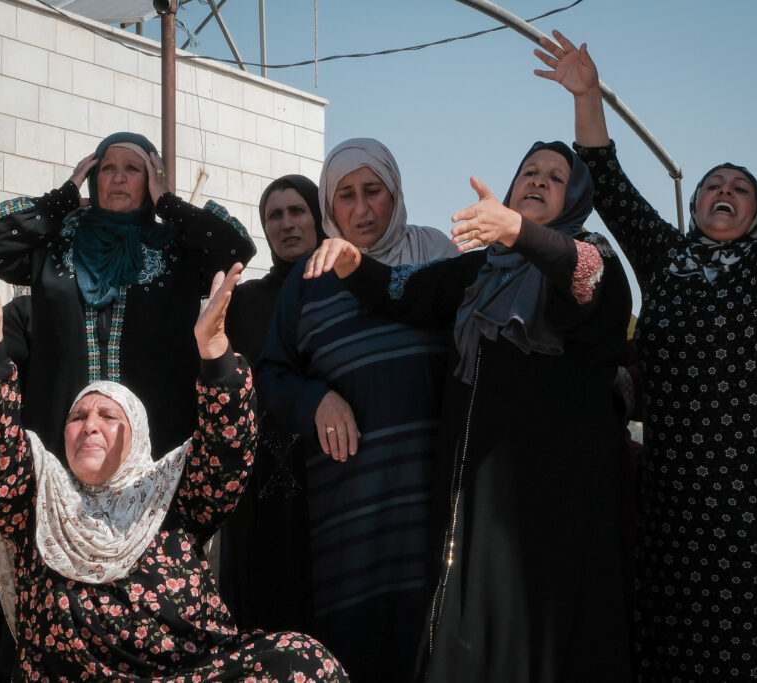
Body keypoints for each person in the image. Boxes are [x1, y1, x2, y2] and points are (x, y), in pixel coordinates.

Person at [533, 29, 757, 680]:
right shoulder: (665, 257)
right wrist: (586, 94)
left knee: (753, 655)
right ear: (695, 208)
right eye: (712, 185)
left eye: (740, 188)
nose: (724, 190)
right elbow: (606, 180)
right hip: (675, 510)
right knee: (671, 653)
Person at [303, 139, 634, 681]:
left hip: (559, 507)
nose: (538, 180)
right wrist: (352, 260)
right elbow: (399, 291)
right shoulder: (476, 271)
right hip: (478, 502)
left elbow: (585, 276)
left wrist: (519, 232)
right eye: (529, 171)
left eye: (555, 176)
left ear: (574, 197)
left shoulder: (593, 257)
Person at [0, 248, 348, 682]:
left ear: (137, 433)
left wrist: (214, 350)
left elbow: (228, 447)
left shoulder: (171, 494)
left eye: (109, 416)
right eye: (78, 417)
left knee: (303, 659)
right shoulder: (34, 499)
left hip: (189, 675)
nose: (90, 427)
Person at [256, 139, 457, 682]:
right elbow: (271, 376)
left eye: (375, 192)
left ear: (396, 193)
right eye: (346, 195)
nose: (362, 210)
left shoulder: (437, 254)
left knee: (441, 645)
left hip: (435, 502)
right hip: (351, 513)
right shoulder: (308, 281)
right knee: (358, 653)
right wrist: (313, 399)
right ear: (329, 206)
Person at [0, 132, 256, 457]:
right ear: (93, 178)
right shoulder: (57, 243)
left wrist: (166, 201)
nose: (119, 178)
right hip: (61, 436)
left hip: (157, 442)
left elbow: (238, 245)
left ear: (150, 178)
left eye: (133, 169)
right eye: (107, 168)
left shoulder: (177, 248)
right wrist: (61, 198)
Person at [220, 175, 327, 632]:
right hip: (257, 485)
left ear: (319, 217)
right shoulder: (244, 302)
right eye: (274, 215)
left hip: (330, 476)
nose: (286, 224)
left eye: (297, 211)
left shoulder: (347, 290)